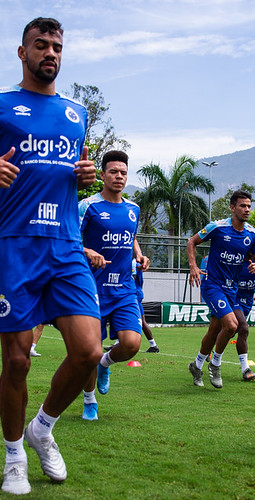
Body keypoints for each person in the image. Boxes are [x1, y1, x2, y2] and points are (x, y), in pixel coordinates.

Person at [0, 17, 103, 495]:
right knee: (16, 361)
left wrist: (86, 178)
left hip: (67, 244)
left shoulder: (77, 114)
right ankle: (14, 455)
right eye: (41, 45)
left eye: (56, 46)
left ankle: (43, 428)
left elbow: (75, 174)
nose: (50, 53)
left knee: (89, 351)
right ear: (22, 52)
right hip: (17, 244)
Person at [79, 150, 149, 421]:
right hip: (91, 290)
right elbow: (67, 237)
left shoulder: (133, 209)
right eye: (113, 172)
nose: (119, 176)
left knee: (131, 344)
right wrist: (87, 251)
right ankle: (89, 400)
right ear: (102, 175)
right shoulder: (88, 206)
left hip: (124, 288)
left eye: (123, 172)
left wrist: (139, 255)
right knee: (89, 351)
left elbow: (130, 237)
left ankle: (105, 363)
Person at [186, 190, 255, 388]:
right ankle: (216, 364)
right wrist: (194, 267)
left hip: (232, 290)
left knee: (214, 330)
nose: (247, 209)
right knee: (231, 326)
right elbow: (192, 242)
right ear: (232, 208)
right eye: (242, 206)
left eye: (249, 206)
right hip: (212, 285)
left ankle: (197, 365)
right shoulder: (218, 227)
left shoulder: (253, 235)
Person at [133, 259, 159, 353]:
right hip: (136, 293)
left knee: (129, 319)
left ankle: (154, 346)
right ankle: (153, 345)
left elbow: (133, 278)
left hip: (134, 294)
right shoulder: (136, 264)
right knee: (142, 321)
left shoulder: (134, 264)